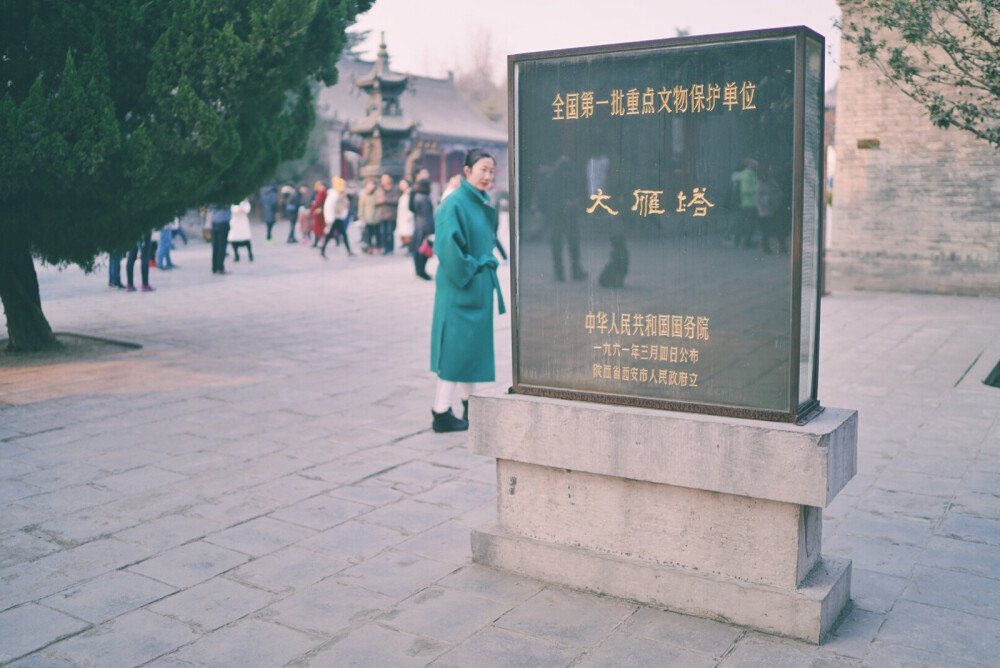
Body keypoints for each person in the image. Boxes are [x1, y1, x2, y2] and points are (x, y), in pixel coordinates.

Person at [429, 148, 506, 433]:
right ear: (466, 171)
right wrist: (473, 268)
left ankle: (468, 404)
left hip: (476, 285)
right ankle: (440, 412)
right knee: (454, 350)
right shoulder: (455, 203)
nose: (487, 176)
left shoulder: (481, 201)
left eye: (491, 170)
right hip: (459, 287)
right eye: (482, 169)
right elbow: (447, 249)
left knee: (468, 350)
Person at [409, 177, 434, 280]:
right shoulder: (424, 198)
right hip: (424, 226)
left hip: (418, 225)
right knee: (424, 250)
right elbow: (427, 215)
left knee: (418, 248)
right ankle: (421, 271)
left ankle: (419, 270)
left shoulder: (416, 196)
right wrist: (431, 230)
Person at [321, 177, 353, 258]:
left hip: (339, 217)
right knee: (330, 235)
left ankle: (348, 250)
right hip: (334, 218)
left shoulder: (342, 194)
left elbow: (345, 205)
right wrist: (329, 219)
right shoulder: (333, 194)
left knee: (343, 234)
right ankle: (322, 250)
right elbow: (328, 207)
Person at [374, 173, 400, 255]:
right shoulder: (379, 190)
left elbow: (396, 200)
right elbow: (375, 200)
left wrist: (385, 200)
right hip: (381, 214)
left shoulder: (394, 189)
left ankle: (390, 248)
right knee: (382, 232)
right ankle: (384, 248)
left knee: (389, 233)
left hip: (391, 214)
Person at [208, 204, 231, 274]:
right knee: (222, 246)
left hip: (214, 223)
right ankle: (220, 267)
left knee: (215, 246)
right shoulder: (226, 196)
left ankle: (214, 267)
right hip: (223, 223)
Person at [358, 179, 378, 253]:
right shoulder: (363, 195)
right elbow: (361, 206)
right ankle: (368, 247)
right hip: (367, 217)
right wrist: (361, 216)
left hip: (375, 217)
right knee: (367, 234)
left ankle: (374, 247)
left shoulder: (375, 194)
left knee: (375, 234)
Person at [396, 178, 413, 251]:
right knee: (403, 233)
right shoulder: (402, 194)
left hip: (407, 217)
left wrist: (409, 215)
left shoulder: (409, 193)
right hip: (402, 216)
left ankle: (410, 248)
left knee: (408, 233)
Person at [309, 180, 327, 247]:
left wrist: (312, 209)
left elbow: (318, 202)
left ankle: (317, 242)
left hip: (319, 212)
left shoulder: (322, 192)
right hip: (321, 212)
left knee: (318, 228)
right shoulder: (323, 192)